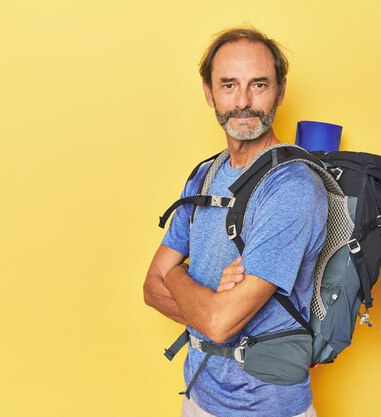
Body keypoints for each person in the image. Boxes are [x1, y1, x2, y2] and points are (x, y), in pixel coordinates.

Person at [143, 27, 327, 417]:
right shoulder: (205, 176)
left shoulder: (291, 187)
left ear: (279, 91)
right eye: (228, 85)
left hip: (269, 406)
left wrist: (178, 275)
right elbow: (149, 288)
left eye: (258, 85)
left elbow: (219, 322)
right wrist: (208, 310)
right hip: (198, 395)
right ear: (209, 93)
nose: (243, 102)